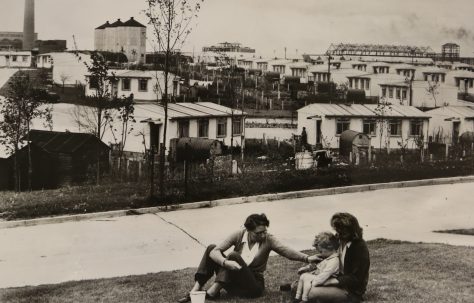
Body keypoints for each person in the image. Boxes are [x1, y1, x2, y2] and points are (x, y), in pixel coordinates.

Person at [177, 213, 321, 302]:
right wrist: (225, 262)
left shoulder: (268, 239)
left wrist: (307, 259)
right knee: (211, 248)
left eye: (265, 231)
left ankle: (213, 292)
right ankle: (195, 290)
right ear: (248, 230)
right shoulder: (239, 234)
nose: (263, 235)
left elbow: (286, 250)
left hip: (253, 287)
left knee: (234, 255)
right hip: (234, 284)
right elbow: (214, 251)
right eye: (259, 233)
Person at [304, 212, 370, 303]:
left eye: (342, 231)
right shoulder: (339, 239)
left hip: (350, 290)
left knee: (310, 292)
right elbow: (330, 255)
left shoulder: (360, 247)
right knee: (303, 284)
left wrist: (328, 282)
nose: (338, 233)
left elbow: (355, 278)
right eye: (337, 230)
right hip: (335, 281)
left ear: (352, 230)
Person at [293, 232, 340, 303]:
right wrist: (306, 268)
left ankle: (305, 299)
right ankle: (297, 297)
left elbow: (324, 275)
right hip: (317, 277)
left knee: (306, 279)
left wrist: (313, 282)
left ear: (330, 247)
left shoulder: (334, 261)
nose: (320, 253)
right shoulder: (326, 256)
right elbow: (316, 265)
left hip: (326, 280)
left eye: (321, 251)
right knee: (303, 276)